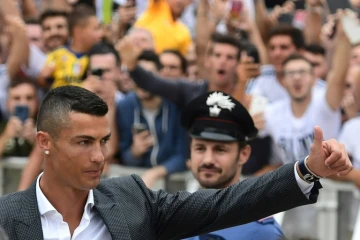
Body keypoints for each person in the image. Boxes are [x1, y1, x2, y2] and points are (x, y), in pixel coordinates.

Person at [0, 86, 352, 240]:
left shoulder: (130, 200)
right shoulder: (7, 220)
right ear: (45, 142)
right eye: (83, 142)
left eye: (104, 141)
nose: (99, 156)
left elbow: (225, 203)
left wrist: (308, 169)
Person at [183, 92, 284, 240]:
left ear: (243, 154)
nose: (208, 160)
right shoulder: (172, 217)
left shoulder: (261, 232)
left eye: (220, 150)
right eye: (200, 148)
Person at [116, 50, 187, 188]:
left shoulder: (176, 105)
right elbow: (124, 156)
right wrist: (134, 153)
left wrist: (155, 173)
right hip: (138, 186)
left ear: (158, 78)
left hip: (175, 186)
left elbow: (183, 156)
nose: (141, 82)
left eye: (147, 76)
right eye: (137, 76)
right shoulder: (125, 106)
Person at [37, 4, 102, 89]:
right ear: (79, 32)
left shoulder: (97, 57)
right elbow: (42, 81)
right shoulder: (57, 55)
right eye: (95, 29)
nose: (101, 34)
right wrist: (42, 77)